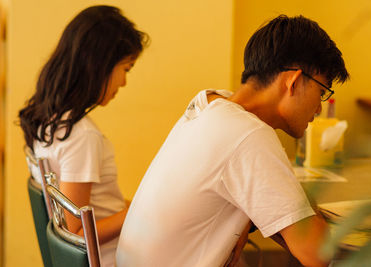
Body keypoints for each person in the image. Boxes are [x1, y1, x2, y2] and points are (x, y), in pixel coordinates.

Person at [116, 15, 349, 267]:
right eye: (322, 92)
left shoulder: (209, 104)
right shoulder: (248, 135)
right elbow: (318, 254)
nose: (318, 109)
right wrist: (300, 200)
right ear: (293, 81)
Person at [18, 5, 148, 266]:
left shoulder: (49, 122)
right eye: (126, 68)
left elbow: (97, 202)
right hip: (113, 258)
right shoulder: (81, 136)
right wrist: (143, 212)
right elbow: (76, 233)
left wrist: (138, 207)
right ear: (99, 65)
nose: (124, 82)